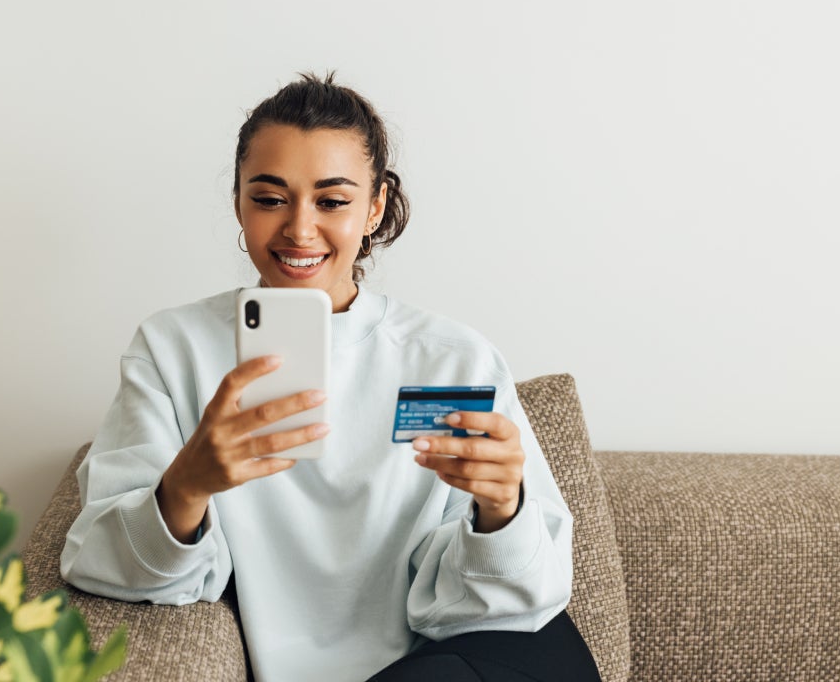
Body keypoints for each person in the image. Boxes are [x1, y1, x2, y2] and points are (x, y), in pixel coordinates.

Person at [61, 74, 601, 682]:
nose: (298, 228)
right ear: (238, 203)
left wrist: (502, 510)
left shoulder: (450, 358)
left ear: (373, 209)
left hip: (474, 657)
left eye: (332, 201)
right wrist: (185, 486)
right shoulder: (174, 349)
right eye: (269, 198)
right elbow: (96, 562)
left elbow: (521, 598)